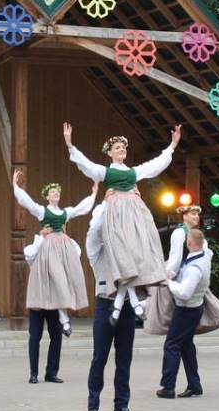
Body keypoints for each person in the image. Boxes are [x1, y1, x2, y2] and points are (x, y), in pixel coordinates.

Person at [63, 122, 182, 325]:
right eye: (117, 147)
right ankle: (130, 304)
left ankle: (122, 304)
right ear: (109, 153)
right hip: (116, 211)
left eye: (123, 147)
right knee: (123, 257)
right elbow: (86, 165)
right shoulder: (106, 172)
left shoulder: (134, 172)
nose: (121, 149)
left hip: (134, 213)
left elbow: (155, 165)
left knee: (138, 252)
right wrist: (70, 145)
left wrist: (172, 145)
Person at [12, 170, 98, 383]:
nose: (56, 193)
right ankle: (33, 373)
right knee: (35, 336)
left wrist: (94, 194)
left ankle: (52, 372)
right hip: (41, 295)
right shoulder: (42, 218)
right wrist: (16, 186)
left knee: (55, 335)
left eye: (57, 191)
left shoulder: (65, 217)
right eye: (52, 192)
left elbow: (80, 209)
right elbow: (28, 203)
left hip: (56, 292)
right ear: (47, 196)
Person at [83, 203, 138, 411]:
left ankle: (121, 405)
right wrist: (108, 204)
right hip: (105, 305)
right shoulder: (96, 250)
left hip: (127, 308)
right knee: (100, 358)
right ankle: (93, 405)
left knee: (124, 359)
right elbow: (94, 231)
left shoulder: (127, 250)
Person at [156, 228, 212, 399]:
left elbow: (184, 292)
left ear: (188, 243)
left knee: (172, 345)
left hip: (187, 309)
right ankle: (194, 385)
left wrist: (168, 282)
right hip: (195, 307)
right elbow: (205, 247)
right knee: (187, 346)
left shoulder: (194, 268)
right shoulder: (205, 255)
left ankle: (168, 387)